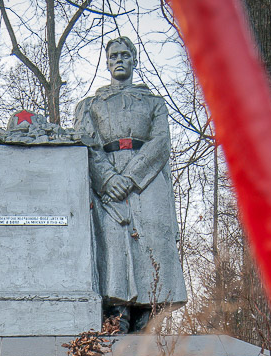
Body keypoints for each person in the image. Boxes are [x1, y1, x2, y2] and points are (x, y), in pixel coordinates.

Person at [74, 37, 187, 332]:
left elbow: (161, 142)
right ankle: (117, 313)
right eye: (114, 56)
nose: (119, 60)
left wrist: (131, 177)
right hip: (107, 179)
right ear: (107, 62)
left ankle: (149, 313)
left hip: (147, 178)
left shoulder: (154, 102)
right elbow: (86, 143)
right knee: (113, 242)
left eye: (125, 55)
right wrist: (108, 179)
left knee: (153, 240)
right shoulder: (90, 105)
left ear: (134, 60)